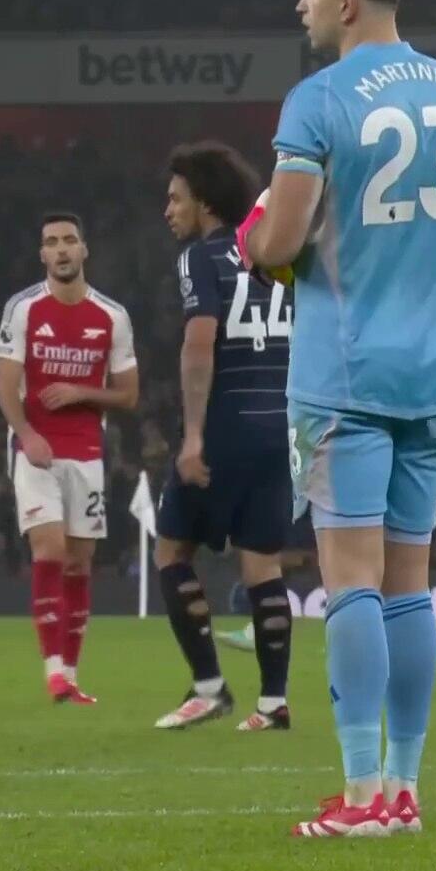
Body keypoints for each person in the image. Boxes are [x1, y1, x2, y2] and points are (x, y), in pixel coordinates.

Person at [242, 0, 436, 836]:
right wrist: (419, 235)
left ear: (348, 1)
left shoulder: (319, 100)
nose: (301, 5)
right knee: (409, 586)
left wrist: (253, 238)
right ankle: (404, 790)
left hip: (345, 376)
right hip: (431, 372)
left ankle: (360, 795)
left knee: (351, 584)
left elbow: (279, 244)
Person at [150, 140, 298, 732]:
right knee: (263, 564)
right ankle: (273, 703)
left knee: (171, 551)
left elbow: (199, 342)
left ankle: (209, 687)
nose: (168, 210)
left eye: (176, 199)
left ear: (205, 203)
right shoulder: (275, 252)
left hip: (227, 424)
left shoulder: (201, 257)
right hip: (279, 423)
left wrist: (192, 437)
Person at [0, 213, 140, 705]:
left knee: (79, 563)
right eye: (52, 242)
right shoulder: (23, 308)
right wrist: (26, 435)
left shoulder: (112, 316)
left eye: (69, 240)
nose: (61, 249)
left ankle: (72, 676)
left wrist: (81, 392)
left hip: (87, 450)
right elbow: (5, 385)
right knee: (50, 549)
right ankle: (53, 671)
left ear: (83, 250)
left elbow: (128, 395)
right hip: (36, 447)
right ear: (42, 255)